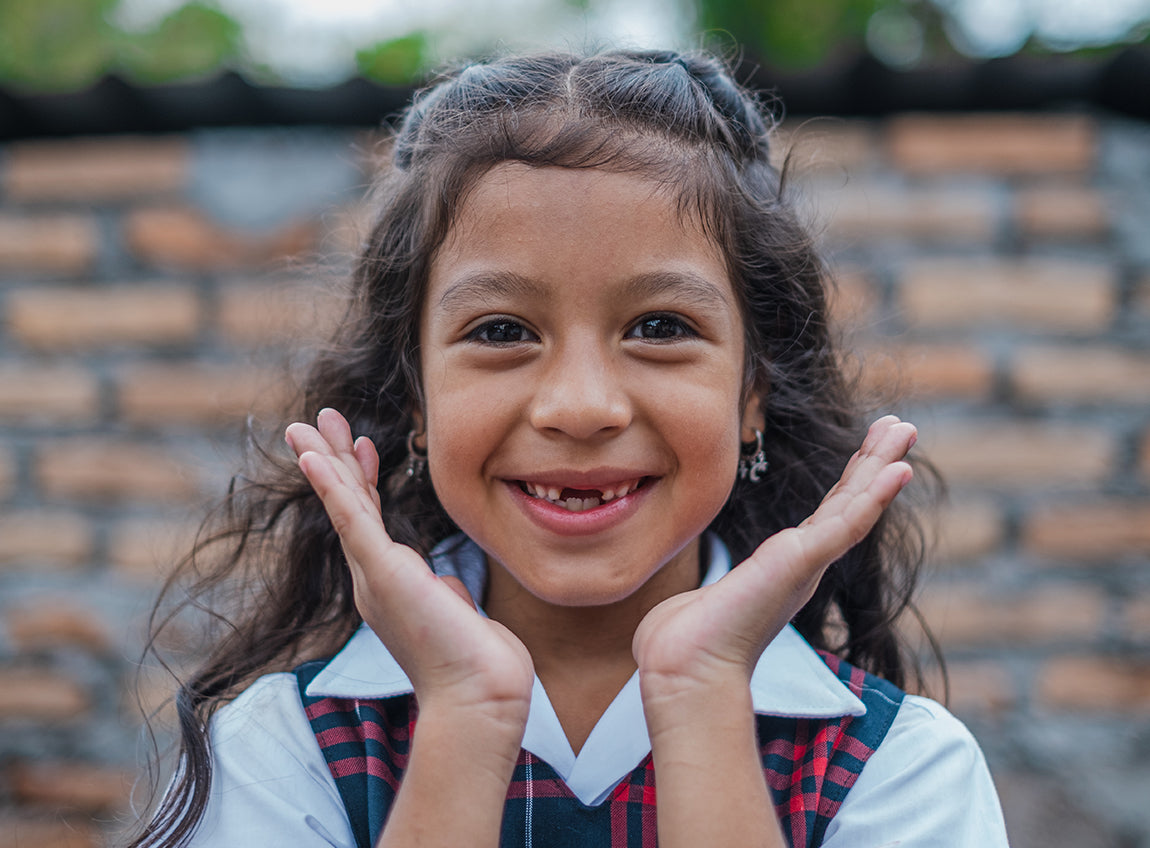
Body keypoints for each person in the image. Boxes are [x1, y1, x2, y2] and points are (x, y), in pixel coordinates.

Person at [131, 49, 1008, 848]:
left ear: (753, 395)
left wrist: (702, 696)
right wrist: (465, 717)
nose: (580, 407)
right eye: (503, 329)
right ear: (416, 398)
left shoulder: (898, 767)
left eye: (660, 326)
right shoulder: (285, 752)